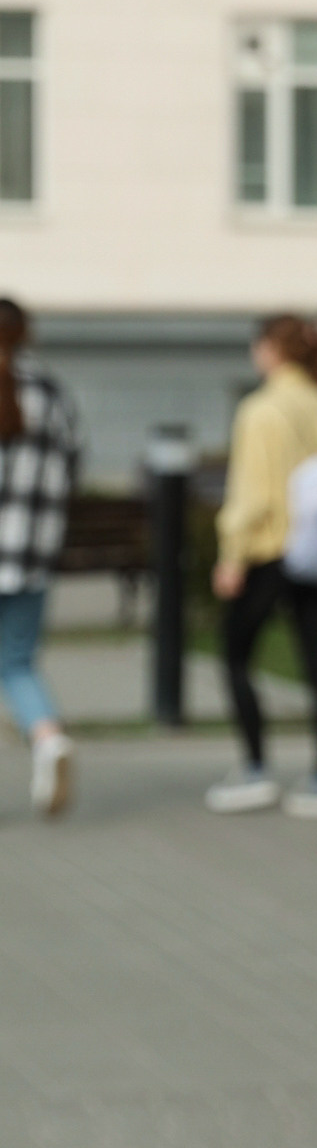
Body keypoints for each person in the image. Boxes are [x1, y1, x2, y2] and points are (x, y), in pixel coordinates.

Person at [209, 314, 317, 819]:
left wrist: (231, 555)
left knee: (236, 656)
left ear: (272, 350)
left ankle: (256, 768)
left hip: (268, 548)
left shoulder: (260, 409)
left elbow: (252, 493)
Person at [0, 295, 79, 818]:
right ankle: (49, 740)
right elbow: (72, 466)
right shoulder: (51, 392)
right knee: (17, 663)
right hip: (31, 554)